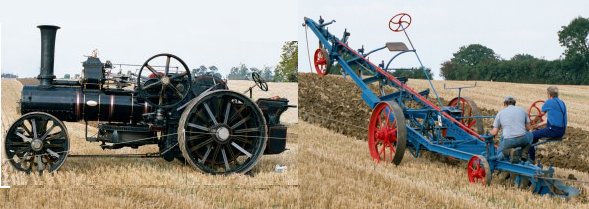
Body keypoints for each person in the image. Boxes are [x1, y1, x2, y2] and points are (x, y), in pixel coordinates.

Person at [528, 86, 567, 162]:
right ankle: (532, 149)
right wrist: (537, 126)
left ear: (549, 94)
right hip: (561, 131)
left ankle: (530, 160)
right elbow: (550, 120)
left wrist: (533, 122)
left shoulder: (549, 102)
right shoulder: (562, 102)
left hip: (553, 130)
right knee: (535, 135)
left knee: (530, 136)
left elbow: (540, 114)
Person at [490, 96, 533, 162]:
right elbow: (528, 128)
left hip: (509, 141)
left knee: (501, 150)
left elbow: (494, 132)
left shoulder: (500, 113)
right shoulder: (522, 110)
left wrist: (488, 134)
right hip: (523, 139)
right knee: (531, 135)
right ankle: (524, 153)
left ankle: (509, 152)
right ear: (514, 103)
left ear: (505, 104)